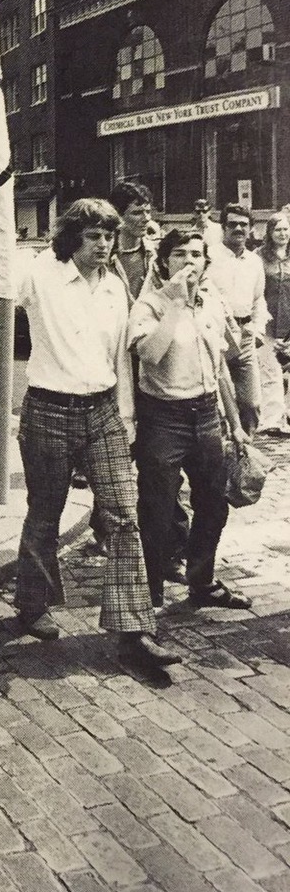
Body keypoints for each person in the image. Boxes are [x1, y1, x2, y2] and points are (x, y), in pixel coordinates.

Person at [13, 199, 178, 670]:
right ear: (72, 237)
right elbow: (1, 273)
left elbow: (120, 358)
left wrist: (126, 417)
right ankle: (31, 605)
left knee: (125, 515)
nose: (104, 245)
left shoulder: (114, 288)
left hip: (102, 411)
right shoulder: (41, 273)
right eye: (93, 237)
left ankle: (134, 632)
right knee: (45, 512)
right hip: (48, 409)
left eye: (108, 236)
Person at [130, 229, 251, 612]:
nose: (188, 262)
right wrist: (176, 306)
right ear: (164, 262)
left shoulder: (212, 304)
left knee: (214, 503)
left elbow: (220, 370)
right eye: (179, 254)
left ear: (205, 263)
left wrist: (236, 424)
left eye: (196, 255)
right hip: (164, 418)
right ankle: (148, 599)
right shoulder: (148, 305)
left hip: (206, 415)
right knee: (158, 509)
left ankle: (202, 580)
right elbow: (149, 355)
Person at [206, 203, 267, 435]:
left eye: (244, 224)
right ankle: (221, 462)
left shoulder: (255, 261)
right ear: (223, 227)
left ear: (251, 229)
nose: (238, 229)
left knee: (251, 404)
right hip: (216, 335)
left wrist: (257, 330)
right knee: (218, 406)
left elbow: (259, 299)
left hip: (245, 336)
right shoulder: (209, 256)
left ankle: (246, 458)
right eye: (233, 224)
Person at [257, 212, 290, 435]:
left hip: (288, 320)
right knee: (270, 372)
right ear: (269, 232)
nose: (283, 233)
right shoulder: (258, 257)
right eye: (278, 229)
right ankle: (272, 421)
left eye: (286, 229)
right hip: (267, 322)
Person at [108, 181, 156, 301]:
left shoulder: (155, 254)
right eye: (137, 213)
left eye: (148, 211)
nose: (147, 218)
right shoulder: (105, 256)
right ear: (118, 215)